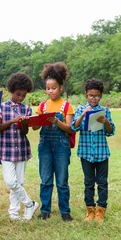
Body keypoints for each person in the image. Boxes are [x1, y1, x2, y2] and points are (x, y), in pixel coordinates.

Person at [33, 62, 74, 222]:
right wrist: (33, 122)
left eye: (54, 87)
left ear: (61, 87)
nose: (50, 91)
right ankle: (45, 211)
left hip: (61, 145)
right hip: (45, 145)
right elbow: (36, 127)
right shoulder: (43, 106)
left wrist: (57, 122)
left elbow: (69, 128)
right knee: (46, 179)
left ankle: (65, 211)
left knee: (62, 180)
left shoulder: (66, 106)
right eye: (48, 88)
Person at [0, 73, 39, 221]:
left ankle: (13, 212)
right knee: (10, 182)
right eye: (18, 94)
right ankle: (30, 203)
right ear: (11, 91)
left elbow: (25, 132)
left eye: (24, 95)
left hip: (21, 149)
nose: (21, 98)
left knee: (19, 183)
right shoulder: (1, 107)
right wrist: (13, 121)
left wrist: (24, 124)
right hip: (6, 149)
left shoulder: (27, 110)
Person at [71, 78, 115, 223]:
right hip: (85, 153)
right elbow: (74, 127)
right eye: (91, 95)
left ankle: (101, 211)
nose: (93, 98)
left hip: (102, 153)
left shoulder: (105, 111)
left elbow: (110, 132)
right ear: (86, 95)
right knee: (88, 182)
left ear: (101, 96)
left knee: (102, 182)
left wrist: (106, 122)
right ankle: (90, 210)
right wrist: (83, 114)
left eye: (96, 96)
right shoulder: (80, 109)